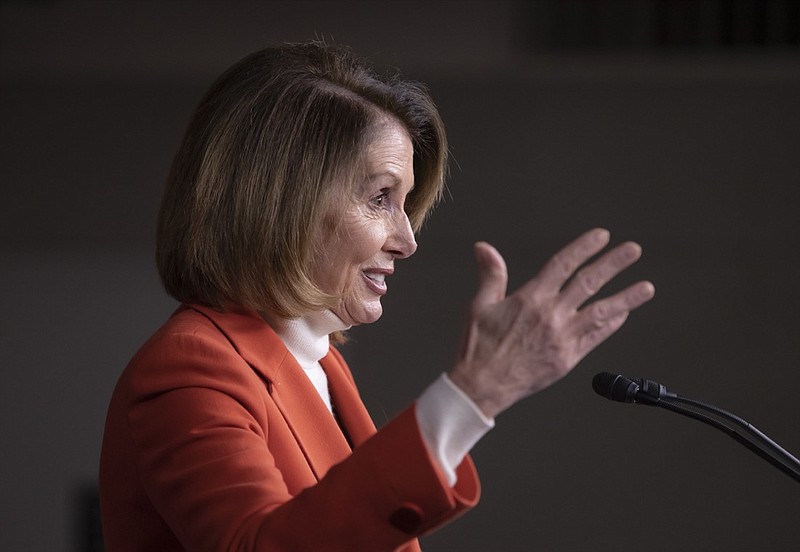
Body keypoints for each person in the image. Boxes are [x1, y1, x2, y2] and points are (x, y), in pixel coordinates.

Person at [99, 41, 655, 551]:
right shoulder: (191, 368)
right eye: (380, 198)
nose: (407, 241)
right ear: (283, 201)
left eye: (406, 204)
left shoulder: (320, 365)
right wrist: (475, 392)